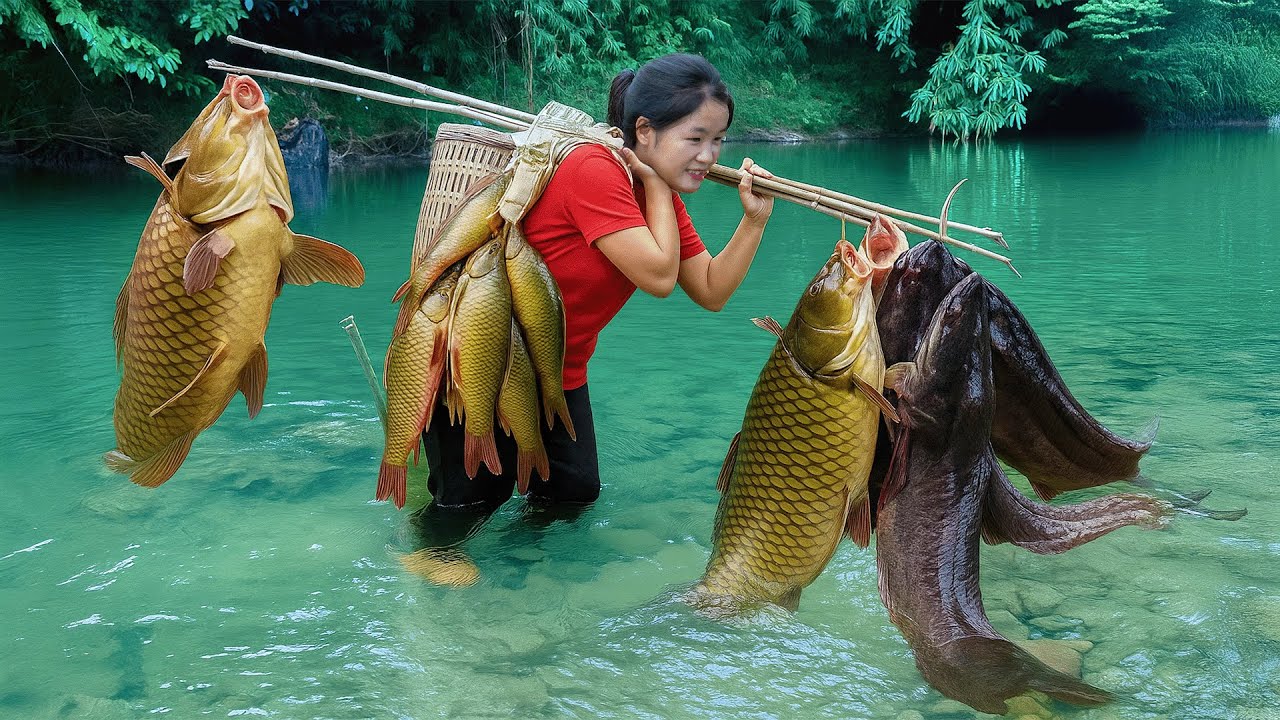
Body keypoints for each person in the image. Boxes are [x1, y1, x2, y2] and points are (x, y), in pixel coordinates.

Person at [407, 53, 775, 585]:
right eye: (695, 139)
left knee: (572, 492)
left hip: (559, 372)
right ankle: (426, 559)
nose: (709, 155)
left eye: (718, 140)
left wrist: (754, 221)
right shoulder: (594, 169)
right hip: (485, 359)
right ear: (644, 131)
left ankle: (519, 575)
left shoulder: (659, 194)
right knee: (468, 505)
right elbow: (658, 275)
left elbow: (712, 290)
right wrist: (656, 188)